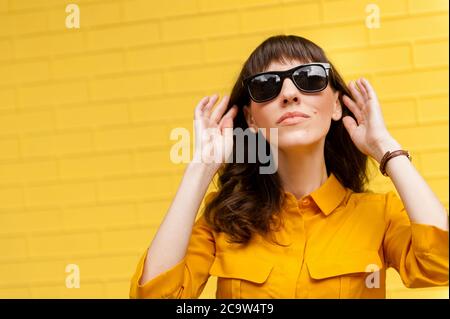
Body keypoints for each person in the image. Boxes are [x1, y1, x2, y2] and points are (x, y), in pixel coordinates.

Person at [129, 35, 449, 299]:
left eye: (309, 78)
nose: (289, 94)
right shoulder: (223, 220)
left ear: (336, 104)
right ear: (251, 120)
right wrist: (201, 167)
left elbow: (441, 265)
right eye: (268, 85)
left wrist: (386, 149)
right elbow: (157, 297)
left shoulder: (379, 214)